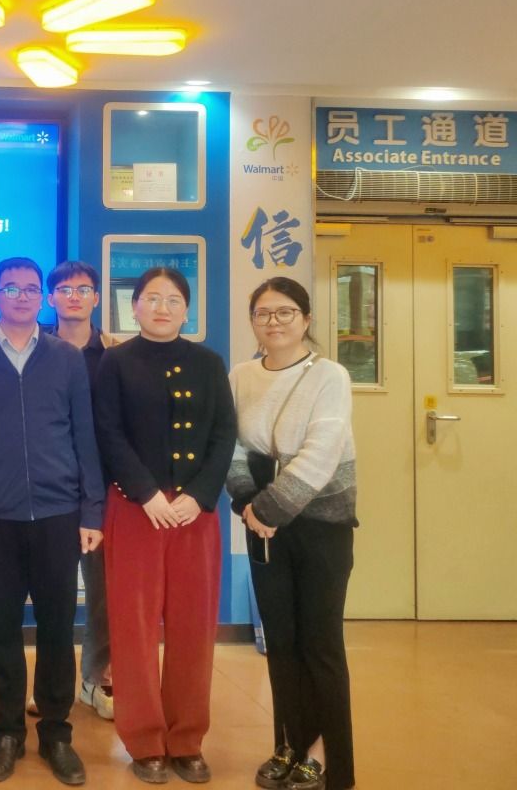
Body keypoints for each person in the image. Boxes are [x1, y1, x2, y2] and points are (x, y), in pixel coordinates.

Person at [0, 257, 105, 786]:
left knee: (59, 630)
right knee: (2, 628)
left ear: (43, 298)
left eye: (31, 289)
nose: (21, 296)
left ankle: (57, 733)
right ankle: (8, 732)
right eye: (11, 288)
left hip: (60, 514)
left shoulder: (66, 358)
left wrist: (91, 509)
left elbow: (84, 436)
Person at [92, 267, 237, 785]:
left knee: (194, 627)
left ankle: (187, 739)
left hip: (195, 514)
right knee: (133, 629)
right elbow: (107, 433)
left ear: (186, 309)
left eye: (173, 300)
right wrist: (147, 494)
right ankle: (145, 740)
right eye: (151, 298)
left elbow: (224, 433)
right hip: (137, 510)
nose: (162, 308)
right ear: (134, 307)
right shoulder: (115, 362)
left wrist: (199, 496)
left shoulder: (208, 362)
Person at [228, 278, 357, 790]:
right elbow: (232, 447)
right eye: (263, 313)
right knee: (280, 640)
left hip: (321, 523)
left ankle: (331, 761)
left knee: (320, 643)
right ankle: (290, 745)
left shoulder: (330, 375)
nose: (273, 322)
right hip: (261, 521)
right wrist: (247, 503)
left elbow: (323, 450)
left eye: (285, 312)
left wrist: (270, 509)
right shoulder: (241, 375)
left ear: (306, 319)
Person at [45, 260, 117, 722]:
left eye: (83, 289)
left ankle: (95, 679)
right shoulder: (35, 350)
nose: (74, 296)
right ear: (51, 298)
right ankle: (50, 686)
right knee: (51, 595)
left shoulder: (116, 354)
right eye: (65, 289)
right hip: (48, 488)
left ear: (96, 297)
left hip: (102, 489)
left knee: (103, 592)